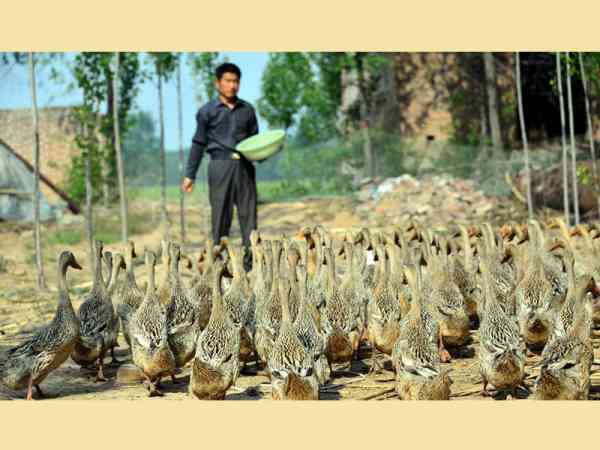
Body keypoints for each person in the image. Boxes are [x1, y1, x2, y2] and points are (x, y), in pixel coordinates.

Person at [182, 62, 259, 272]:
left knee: (249, 217)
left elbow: (256, 141)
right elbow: (198, 143)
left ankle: (250, 264)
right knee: (220, 217)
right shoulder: (207, 112)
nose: (232, 85)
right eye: (228, 81)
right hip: (219, 166)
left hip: (245, 167)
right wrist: (190, 174)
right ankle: (219, 266)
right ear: (218, 83)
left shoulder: (248, 110)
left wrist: (262, 154)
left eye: (236, 81)